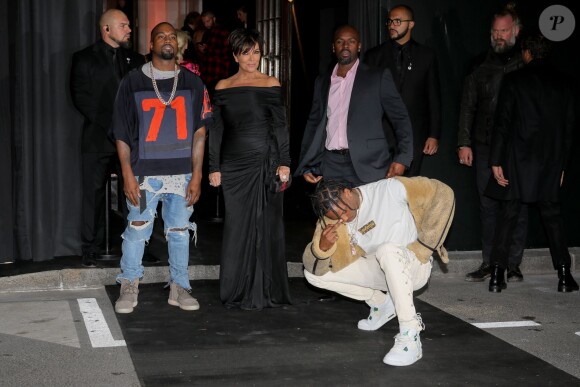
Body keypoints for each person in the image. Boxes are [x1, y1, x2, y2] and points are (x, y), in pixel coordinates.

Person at [111, 22, 212, 313]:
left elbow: (200, 134)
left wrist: (197, 175)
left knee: (180, 231)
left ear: (177, 44)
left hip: (181, 175)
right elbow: (121, 132)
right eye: (160, 36)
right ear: (151, 45)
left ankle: (179, 286)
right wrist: (128, 174)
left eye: (172, 36)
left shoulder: (194, 83)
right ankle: (129, 284)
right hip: (144, 175)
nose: (167, 40)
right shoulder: (132, 81)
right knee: (137, 228)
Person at [303, 177, 454, 366]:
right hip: (381, 270)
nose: (343, 218)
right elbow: (313, 266)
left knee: (387, 250)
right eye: (336, 216)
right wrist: (323, 249)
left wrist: (424, 247)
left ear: (347, 192)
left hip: (413, 265)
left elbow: (443, 192)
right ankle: (382, 303)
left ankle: (410, 334)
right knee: (314, 276)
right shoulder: (331, 218)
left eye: (344, 211)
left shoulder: (390, 189)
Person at [486, 33, 578, 293]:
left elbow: (502, 124)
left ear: (526, 53)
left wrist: (496, 161)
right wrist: (563, 166)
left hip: (517, 160)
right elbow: (570, 129)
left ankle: (496, 275)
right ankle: (564, 275)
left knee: (508, 216)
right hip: (550, 161)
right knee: (553, 219)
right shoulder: (566, 84)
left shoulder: (514, 80)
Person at [208, 28, 292, 310]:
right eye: (246, 52)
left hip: (265, 162)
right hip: (233, 166)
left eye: (256, 51)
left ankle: (266, 289)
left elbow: (280, 125)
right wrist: (214, 166)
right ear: (235, 55)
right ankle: (236, 289)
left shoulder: (270, 83)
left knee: (266, 226)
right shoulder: (222, 86)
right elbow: (216, 130)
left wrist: (284, 161)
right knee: (237, 227)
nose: (252, 57)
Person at [457, 4, 528, 283]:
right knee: (488, 206)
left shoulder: (526, 63)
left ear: (516, 31)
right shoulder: (479, 65)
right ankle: (489, 262)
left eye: (504, 31)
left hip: (518, 147)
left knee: (518, 206)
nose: (499, 36)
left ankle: (512, 263)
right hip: (485, 145)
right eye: (495, 31)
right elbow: (467, 107)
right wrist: (464, 142)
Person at [70, 9, 145, 267]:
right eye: (123, 25)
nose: (129, 29)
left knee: (133, 195)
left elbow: (142, 98)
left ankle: (136, 246)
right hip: (98, 138)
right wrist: (112, 127)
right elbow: (81, 97)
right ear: (107, 29)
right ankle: (90, 247)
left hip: (131, 141)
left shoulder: (136, 60)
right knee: (93, 195)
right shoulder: (83, 58)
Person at [296, 25, 413, 188]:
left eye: (351, 41)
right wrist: (306, 163)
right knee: (333, 214)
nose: (345, 46)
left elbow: (400, 118)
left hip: (370, 164)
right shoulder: (322, 82)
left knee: (370, 214)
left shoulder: (377, 77)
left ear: (359, 46)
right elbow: (314, 123)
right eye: (340, 41)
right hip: (331, 165)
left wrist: (403, 158)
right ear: (333, 47)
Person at [363, 4, 441, 177]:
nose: (392, 25)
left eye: (398, 21)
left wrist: (433, 135)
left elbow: (433, 97)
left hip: (415, 133)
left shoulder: (426, 55)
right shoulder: (374, 56)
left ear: (411, 24)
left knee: (408, 189)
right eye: (390, 21)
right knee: (380, 187)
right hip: (381, 134)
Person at [200, 11, 231, 93]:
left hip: (219, 70)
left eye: (208, 21)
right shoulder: (208, 32)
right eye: (204, 22)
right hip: (209, 71)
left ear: (214, 19)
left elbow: (226, 51)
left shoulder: (222, 32)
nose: (206, 24)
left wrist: (206, 49)